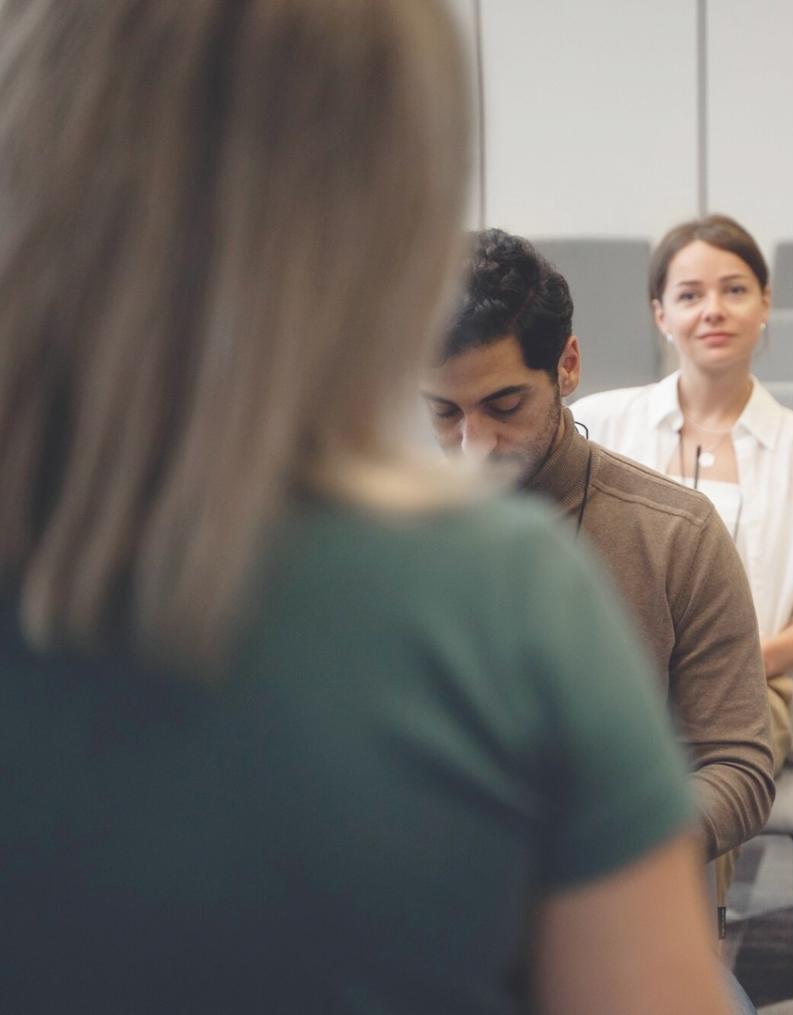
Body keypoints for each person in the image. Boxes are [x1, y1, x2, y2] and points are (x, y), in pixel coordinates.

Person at [0, 3, 730, 1013]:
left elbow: (733, 751)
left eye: (501, 407)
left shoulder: (642, 538)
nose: (472, 443)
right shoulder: (498, 600)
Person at [422, 229, 775, 913]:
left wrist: (604, 848)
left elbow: (738, 766)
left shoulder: (675, 531)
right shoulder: (389, 536)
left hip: (620, 910)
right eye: (443, 413)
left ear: (567, 365)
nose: (473, 446)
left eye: (504, 406)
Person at [575, 214, 793, 832]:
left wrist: (723, 665)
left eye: (735, 290)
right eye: (689, 295)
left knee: (704, 770)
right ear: (660, 315)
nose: (714, 310)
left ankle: (682, 923)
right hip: (611, 677)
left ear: (766, 303)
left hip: (756, 685)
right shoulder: (599, 425)